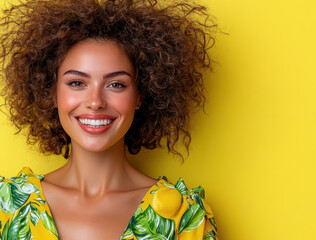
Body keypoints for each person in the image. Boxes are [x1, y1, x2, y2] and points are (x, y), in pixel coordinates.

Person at [0, 0, 218, 239]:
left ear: (140, 96)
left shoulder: (184, 217)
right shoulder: (7, 206)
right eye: (76, 83)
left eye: (116, 84)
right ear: (51, 93)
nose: (95, 102)